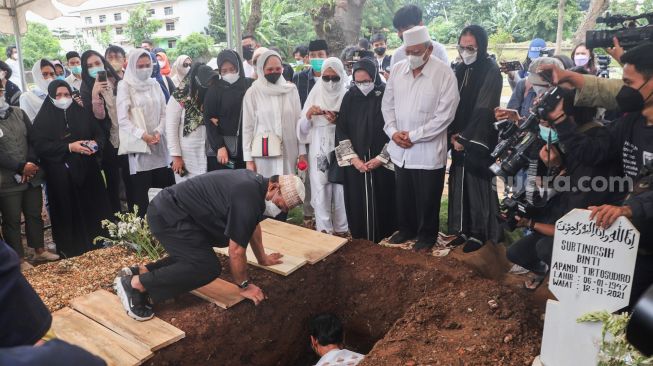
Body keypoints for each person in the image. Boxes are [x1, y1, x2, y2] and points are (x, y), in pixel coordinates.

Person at [113, 170, 304, 320]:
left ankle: (142, 271)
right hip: (168, 215)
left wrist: (262, 258)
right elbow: (236, 251)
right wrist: (244, 286)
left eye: (284, 209)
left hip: (180, 214)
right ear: (274, 187)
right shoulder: (249, 196)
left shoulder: (255, 186)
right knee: (207, 267)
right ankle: (136, 285)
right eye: (281, 205)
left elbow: (252, 224)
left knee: (198, 256)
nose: (279, 211)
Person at [382, 26, 460, 251]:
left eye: (417, 52)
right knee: (403, 194)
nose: (412, 56)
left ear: (429, 49)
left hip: (428, 149)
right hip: (400, 147)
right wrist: (393, 132)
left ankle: (427, 235)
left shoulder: (444, 73)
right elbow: (387, 104)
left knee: (428, 197)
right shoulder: (397, 70)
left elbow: (445, 115)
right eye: (409, 52)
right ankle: (406, 229)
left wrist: (414, 136)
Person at [30, 80, 112, 258]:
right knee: (68, 211)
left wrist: (96, 145)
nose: (63, 98)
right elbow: (40, 146)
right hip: (61, 175)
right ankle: (72, 249)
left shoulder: (81, 112)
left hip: (88, 171)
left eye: (66, 94)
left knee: (93, 206)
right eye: (58, 95)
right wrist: (69, 147)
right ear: (51, 97)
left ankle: (99, 243)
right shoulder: (44, 118)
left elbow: (98, 133)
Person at [447, 25, 503, 253]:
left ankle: (480, 232)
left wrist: (465, 137)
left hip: (479, 136)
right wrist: (451, 133)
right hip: (457, 136)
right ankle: (463, 229)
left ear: (481, 47)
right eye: (462, 47)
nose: (466, 51)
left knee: (476, 182)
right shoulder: (459, 69)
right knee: (459, 179)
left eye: (471, 47)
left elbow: (484, 107)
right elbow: (449, 103)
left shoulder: (490, 70)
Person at [335, 57, 396, 242]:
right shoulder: (350, 96)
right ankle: (361, 241)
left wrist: (381, 158)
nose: (362, 85)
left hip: (382, 163)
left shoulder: (386, 94)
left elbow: (395, 127)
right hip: (357, 164)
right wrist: (354, 160)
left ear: (375, 77)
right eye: (358, 81)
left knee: (385, 199)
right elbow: (341, 129)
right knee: (357, 201)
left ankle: (387, 238)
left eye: (367, 81)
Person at [0, 86, 56, 266]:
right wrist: (19, 167)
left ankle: (39, 250)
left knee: (34, 213)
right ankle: (19, 258)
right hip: (7, 179)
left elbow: (33, 139)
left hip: (31, 175)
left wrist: (30, 163)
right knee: (12, 220)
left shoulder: (19, 112)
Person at [117, 49, 175, 217]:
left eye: (147, 65)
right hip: (140, 148)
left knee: (164, 193)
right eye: (140, 66)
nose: (144, 69)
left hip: (160, 145)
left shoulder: (155, 84)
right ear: (132, 67)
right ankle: (148, 237)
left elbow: (165, 112)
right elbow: (123, 119)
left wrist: (158, 131)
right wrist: (144, 135)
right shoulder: (125, 86)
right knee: (144, 198)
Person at [297, 57, 348, 235]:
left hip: (342, 144)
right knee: (321, 183)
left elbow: (355, 124)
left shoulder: (347, 94)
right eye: (326, 78)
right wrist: (309, 115)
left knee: (341, 186)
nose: (331, 83)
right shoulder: (315, 93)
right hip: (320, 146)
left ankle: (343, 228)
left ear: (342, 76)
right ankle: (324, 228)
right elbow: (302, 129)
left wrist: (339, 120)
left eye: (335, 78)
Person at [243, 50, 307, 189]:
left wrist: (302, 153)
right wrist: (248, 159)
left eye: (278, 69)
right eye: (270, 69)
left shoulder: (291, 90)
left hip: (288, 151)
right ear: (261, 69)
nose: (274, 72)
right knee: (266, 191)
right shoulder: (252, 92)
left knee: (286, 193)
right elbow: (247, 128)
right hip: (264, 154)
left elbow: (298, 122)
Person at [81, 50, 134, 214]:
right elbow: (98, 117)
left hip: (127, 135)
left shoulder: (118, 82)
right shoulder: (87, 88)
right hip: (108, 141)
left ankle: (135, 213)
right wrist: (95, 94)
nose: (95, 68)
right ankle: (117, 217)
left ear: (103, 63)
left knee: (130, 178)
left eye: (97, 63)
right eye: (89, 66)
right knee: (113, 180)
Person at [204, 49, 253, 171]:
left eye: (232, 69)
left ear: (238, 68)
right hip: (224, 151)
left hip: (249, 147)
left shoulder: (249, 85)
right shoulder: (215, 89)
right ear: (219, 71)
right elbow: (209, 119)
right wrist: (219, 146)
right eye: (224, 71)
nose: (229, 73)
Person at [166, 63, 210, 182]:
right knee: (186, 192)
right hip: (186, 156)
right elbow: (171, 128)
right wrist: (176, 157)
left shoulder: (209, 94)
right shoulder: (179, 96)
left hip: (207, 153)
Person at [389, 5, 449, 69]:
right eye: (398, 30)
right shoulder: (397, 55)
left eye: (406, 28)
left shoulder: (438, 50)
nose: (400, 34)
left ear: (420, 25)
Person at [293, 40, 329, 108]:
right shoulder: (298, 78)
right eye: (312, 55)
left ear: (327, 56)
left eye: (320, 55)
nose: (316, 58)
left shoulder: (334, 78)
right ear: (308, 57)